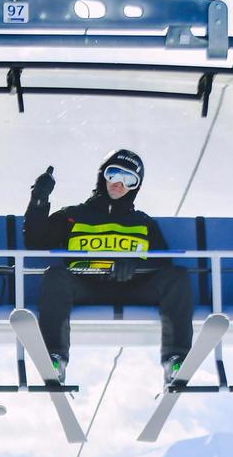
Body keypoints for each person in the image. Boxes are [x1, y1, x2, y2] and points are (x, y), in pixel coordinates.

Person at [24, 149, 194, 386]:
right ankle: (54, 357)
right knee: (56, 276)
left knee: (178, 277)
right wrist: (39, 199)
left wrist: (134, 265)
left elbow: (163, 262)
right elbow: (36, 241)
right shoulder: (74, 216)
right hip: (86, 284)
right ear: (102, 176)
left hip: (132, 287)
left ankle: (176, 359)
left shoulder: (143, 223)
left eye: (129, 179)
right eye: (114, 174)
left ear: (136, 186)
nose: (119, 184)